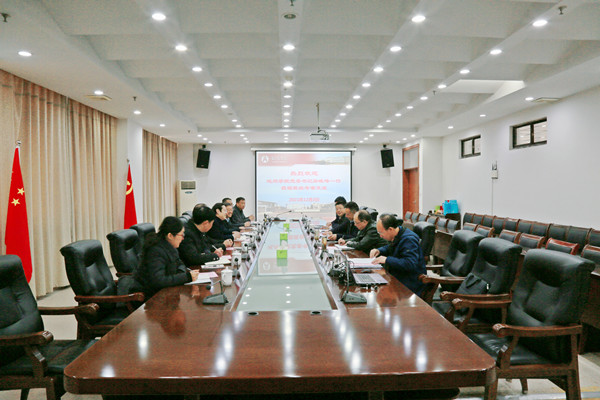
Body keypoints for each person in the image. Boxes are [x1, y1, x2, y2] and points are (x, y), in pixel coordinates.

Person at [130, 216, 199, 299]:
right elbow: (158, 281)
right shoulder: (155, 251)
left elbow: (180, 263)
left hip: (164, 293)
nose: (183, 238)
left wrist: (181, 274)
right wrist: (186, 277)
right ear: (170, 235)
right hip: (149, 297)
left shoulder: (170, 246)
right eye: (181, 235)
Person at [370, 214, 426, 297]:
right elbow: (391, 247)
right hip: (398, 275)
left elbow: (410, 263)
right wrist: (379, 250)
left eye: (381, 233)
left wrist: (386, 260)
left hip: (408, 282)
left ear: (390, 229)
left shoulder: (409, 239)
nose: (380, 236)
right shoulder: (398, 233)